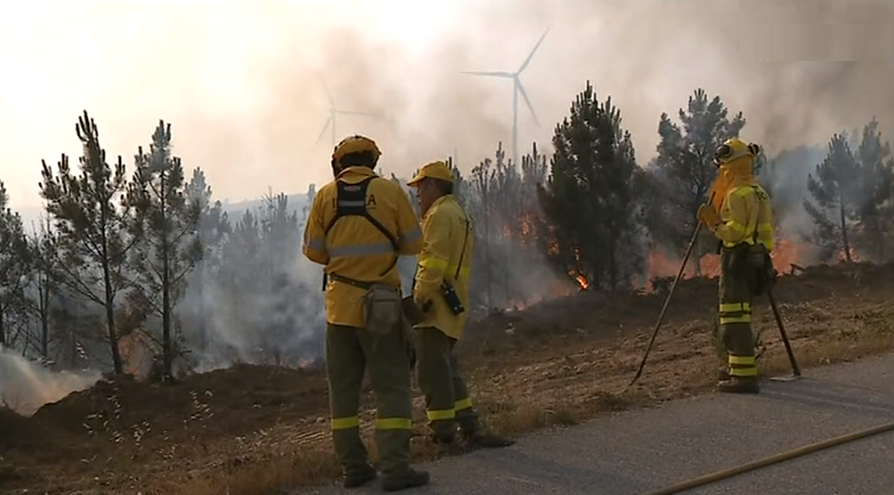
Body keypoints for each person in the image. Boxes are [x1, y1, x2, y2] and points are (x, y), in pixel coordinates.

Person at [302, 135, 429, 491]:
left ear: (339, 163)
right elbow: (414, 244)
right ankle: (395, 469)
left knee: (342, 393)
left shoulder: (326, 196)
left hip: (339, 308)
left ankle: (354, 468)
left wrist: (344, 258)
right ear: (372, 161)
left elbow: (313, 251)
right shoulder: (390, 192)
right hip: (381, 308)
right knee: (392, 386)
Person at [405, 161, 516, 448]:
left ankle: (443, 433)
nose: (417, 195)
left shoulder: (439, 215)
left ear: (433, 185)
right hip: (453, 307)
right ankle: (470, 427)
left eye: (420, 188)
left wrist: (419, 300)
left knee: (432, 375)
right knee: (449, 371)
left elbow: (432, 263)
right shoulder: (460, 214)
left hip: (434, 308)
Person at [697, 137, 776, 394]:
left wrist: (714, 224)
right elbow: (765, 233)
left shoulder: (735, 194)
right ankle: (736, 369)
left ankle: (743, 378)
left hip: (737, 263)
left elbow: (734, 233)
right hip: (758, 261)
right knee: (743, 315)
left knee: (733, 320)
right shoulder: (759, 192)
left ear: (729, 166)